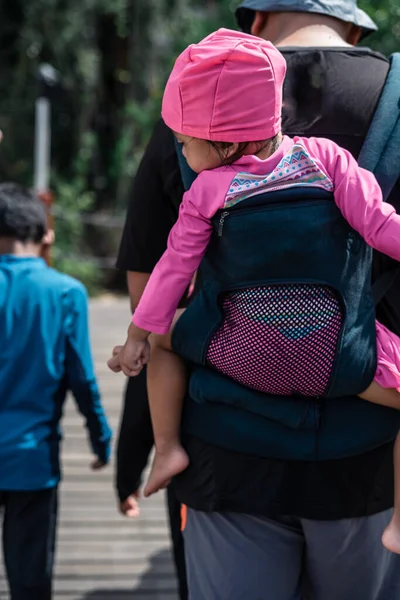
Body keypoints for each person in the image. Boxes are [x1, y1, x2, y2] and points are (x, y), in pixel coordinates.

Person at [115, 2, 400, 599]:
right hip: (360, 458)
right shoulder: (332, 154)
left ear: (257, 20)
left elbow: (157, 278)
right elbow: (379, 226)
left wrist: (144, 335)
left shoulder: (199, 147)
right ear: (353, 26)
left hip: (229, 454)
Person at [0, 183, 112, 600]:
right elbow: (81, 377)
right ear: (44, 232)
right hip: (33, 460)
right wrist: (101, 439)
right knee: (30, 578)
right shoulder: (64, 292)